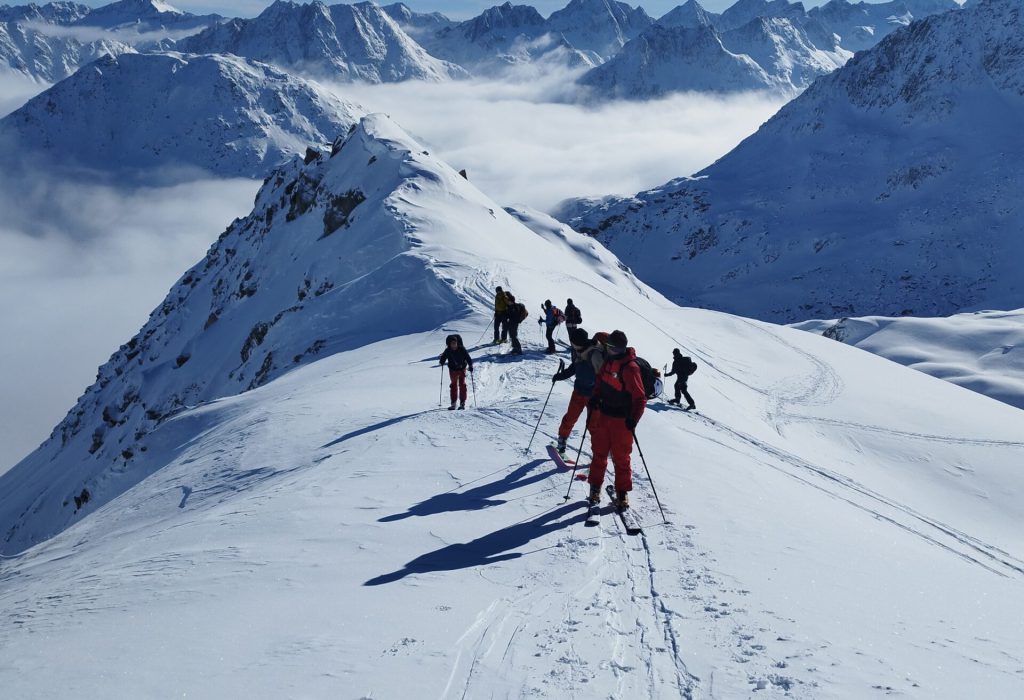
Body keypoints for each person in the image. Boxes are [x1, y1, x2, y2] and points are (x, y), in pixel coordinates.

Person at [586, 330, 646, 510]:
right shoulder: (608, 361)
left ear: (619, 348)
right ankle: (595, 487)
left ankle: (622, 492)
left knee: (621, 458)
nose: (609, 350)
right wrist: (595, 397)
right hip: (604, 415)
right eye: (608, 347)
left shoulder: (631, 368)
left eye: (611, 347)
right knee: (599, 453)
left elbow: (640, 399)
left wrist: (633, 420)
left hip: (622, 421)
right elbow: (599, 382)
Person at [551, 328, 600, 454]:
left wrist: (599, 396)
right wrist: (561, 376)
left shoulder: (595, 354)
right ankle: (562, 440)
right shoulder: (577, 351)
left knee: (594, 426)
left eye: (573, 342)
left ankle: (599, 451)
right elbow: (574, 367)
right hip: (579, 391)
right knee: (570, 418)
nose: (571, 344)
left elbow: (603, 377)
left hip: (594, 396)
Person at [439, 334, 473, 410]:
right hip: (452, 370)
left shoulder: (462, 349)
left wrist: (470, 365)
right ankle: (453, 403)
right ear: (449, 344)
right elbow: (443, 357)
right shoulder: (447, 350)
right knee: (453, 385)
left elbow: (468, 358)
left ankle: (462, 402)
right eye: (452, 343)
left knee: (462, 384)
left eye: (455, 343)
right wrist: (441, 361)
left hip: (462, 369)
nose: (454, 345)